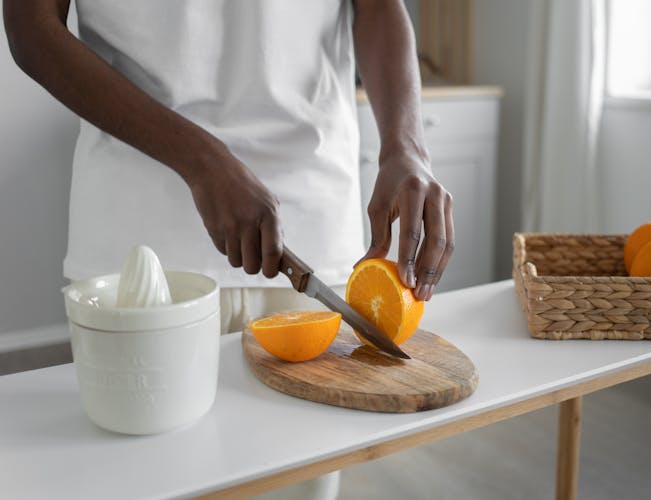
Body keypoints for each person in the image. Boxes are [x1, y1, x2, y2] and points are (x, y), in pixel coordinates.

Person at [5, 1, 454, 498]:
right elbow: (31, 27)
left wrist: (406, 145)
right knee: (141, 481)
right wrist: (200, 158)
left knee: (300, 482)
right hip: (139, 255)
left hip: (313, 234)